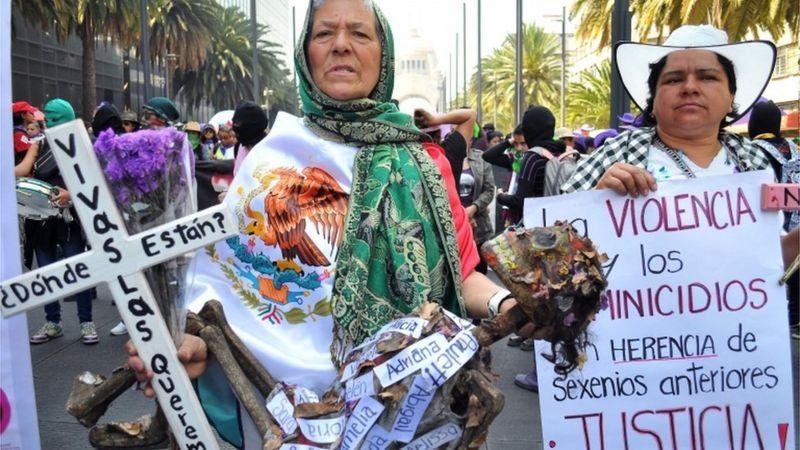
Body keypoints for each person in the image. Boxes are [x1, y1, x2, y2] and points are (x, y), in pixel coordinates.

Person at [127, 1, 595, 446]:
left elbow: (461, 273)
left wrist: (509, 304)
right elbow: (224, 285)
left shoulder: (425, 162)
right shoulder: (271, 158)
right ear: (305, 54)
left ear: (382, 54)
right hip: (271, 409)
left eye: (360, 33)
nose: (341, 44)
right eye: (324, 33)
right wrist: (187, 343)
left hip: (398, 409)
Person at [563, 24, 799, 329]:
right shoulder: (614, 154)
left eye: (707, 76)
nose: (690, 87)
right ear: (653, 98)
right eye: (673, 79)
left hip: (736, 344)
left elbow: (766, 259)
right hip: (632, 347)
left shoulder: (754, 161)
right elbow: (546, 249)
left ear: (731, 97)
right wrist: (595, 202)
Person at [28, 98, 99, 345]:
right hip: (41, 218)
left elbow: (94, 182)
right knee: (46, 273)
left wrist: (72, 194)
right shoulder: (39, 143)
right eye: (47, 117)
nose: (49, 121)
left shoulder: (81, 144)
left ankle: (86, 322)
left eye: (55, 117)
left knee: (79, 270)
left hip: (70, 219)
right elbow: (24, 172)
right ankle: (53, 321)